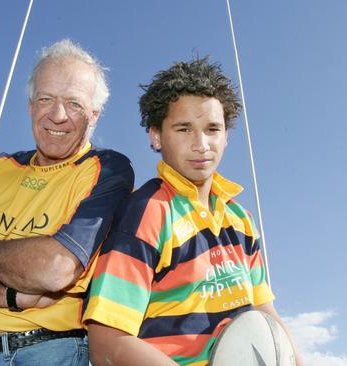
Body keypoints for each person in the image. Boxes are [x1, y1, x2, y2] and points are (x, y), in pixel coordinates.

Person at [0, 39, 134, 366]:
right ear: (31, 105)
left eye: (74, 103)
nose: (57, 115)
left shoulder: (107, 170)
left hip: (50, 353)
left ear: (95, 115)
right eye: (46, 99)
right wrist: (11, 296)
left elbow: (54, 270)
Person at [83, 57, 303, 366]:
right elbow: (107, 343)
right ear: (156, 136)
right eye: (184, 129)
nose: (201, 144)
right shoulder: (148, 212)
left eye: (213, 128)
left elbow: (265, 312)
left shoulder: (241, 220)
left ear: (226, 135)